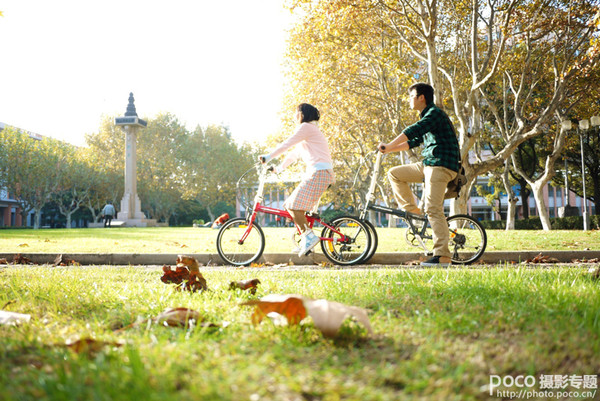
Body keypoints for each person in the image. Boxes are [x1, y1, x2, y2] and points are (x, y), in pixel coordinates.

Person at [378, 83, 460, 267]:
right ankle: (413, 211)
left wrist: (389, 144)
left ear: (421, 97)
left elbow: (413, 130)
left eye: (411, 96)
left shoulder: (434, 114)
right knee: (394, 174)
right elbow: (413, 141)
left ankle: (442, 256)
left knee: (433, 208)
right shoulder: (429, 117)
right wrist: (388, 150)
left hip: (441, 165)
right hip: (429, 164)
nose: (409, 100)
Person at [259, 103, 335, 257]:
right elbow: (294, 154)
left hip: (319, 172)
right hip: (319, 172)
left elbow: (287, 144)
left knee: (292, 205)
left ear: (302, 114)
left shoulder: (306, 127)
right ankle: (307, 241)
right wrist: (278, 169)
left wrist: (268, 157)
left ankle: (309, 237)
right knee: (293, 206)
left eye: (296, 113)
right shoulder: (310, 131)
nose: (294, 116)